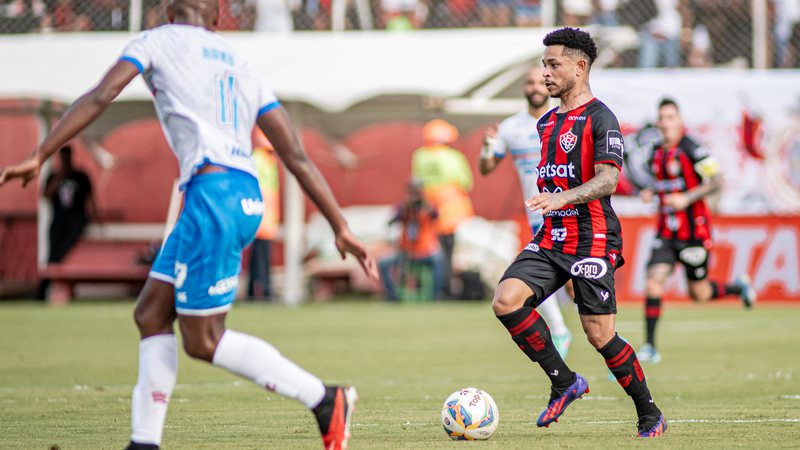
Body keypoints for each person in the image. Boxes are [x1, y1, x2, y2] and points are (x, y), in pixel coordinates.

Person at [0, 0, 378, 448]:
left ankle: (324, 399)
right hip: (240, 194)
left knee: (203, 339)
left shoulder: (156, 41)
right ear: (217, 17)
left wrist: (40, 154)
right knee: (151, 314)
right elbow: (294, 153)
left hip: (210, 197)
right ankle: (144, 442)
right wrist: (339, 224)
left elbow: (101, 95)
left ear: (165, 10)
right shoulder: (240, 62)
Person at [491, 27, 666, 438]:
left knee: (599, 335)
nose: (546, 74)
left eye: (554, 65)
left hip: (592, 238)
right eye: (544, 65)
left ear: (580, 66)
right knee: (506, 300)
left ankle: (648, 411)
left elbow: (608, 180)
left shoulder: (601, 117)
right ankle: (564, 381)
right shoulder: (548, 122)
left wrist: (563, 197)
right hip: (553, 236)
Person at [638, 98, 756, 364]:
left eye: (671, 118)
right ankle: (650, 347)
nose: (666, 123)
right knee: (653, 283)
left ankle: (738, 288)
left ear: (680, 121)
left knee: (699, 294)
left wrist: (687, 199)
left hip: (694, 233)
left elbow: (716, 180)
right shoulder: (656, 152)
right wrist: (650, 192)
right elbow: (663, 184)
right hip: (666, 233)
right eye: (662, 118)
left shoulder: (693, 149)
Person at [479, 66, 573, 358]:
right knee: (532, 277)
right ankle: (558, 329)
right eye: (529, 83)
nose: (534, 87)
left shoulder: (565, 120)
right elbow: (486, 168)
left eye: (538, 82)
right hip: (537, 219)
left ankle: (604, 340)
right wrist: (486, 148)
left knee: (574, 285)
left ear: (548, 85)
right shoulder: (510, 127)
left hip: (568, 213)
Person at [412, 119, 473, 298]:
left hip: (426, 211)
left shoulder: (419, 155)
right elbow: (466, 182)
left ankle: (428, 290)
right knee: (447, 253)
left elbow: (416, 183)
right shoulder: (453, 156)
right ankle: (445, 290)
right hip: (450, 211)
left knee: (426, 250)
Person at [38, 144, 98, 298]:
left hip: (76, 219)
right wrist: (60, 176)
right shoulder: (53, 176)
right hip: (59, 220)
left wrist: (97, 220)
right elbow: (46, 195)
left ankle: (52, 278)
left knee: (64, 250)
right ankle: (43, 289)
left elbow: (91, 199)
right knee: (54, 252)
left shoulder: (80, 176)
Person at [378, 179, 445, 301]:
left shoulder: (428, 206)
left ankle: (436, 297)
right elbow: (391, 221)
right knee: (383, 264)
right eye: (412, 192)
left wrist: (424, 204)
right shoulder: (403, 208)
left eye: (417, 192)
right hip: (405, 253)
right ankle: (393, 298)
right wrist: (406, 208)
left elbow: (437, 215)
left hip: (425, 253)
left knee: (439, 260)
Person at [247, 129, 279, 301]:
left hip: (267, 218)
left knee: (260, 256)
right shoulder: (259, 159)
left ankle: (255, 289)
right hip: (260, 217)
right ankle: (262, 289)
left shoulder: (269, 160)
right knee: (260, 257)